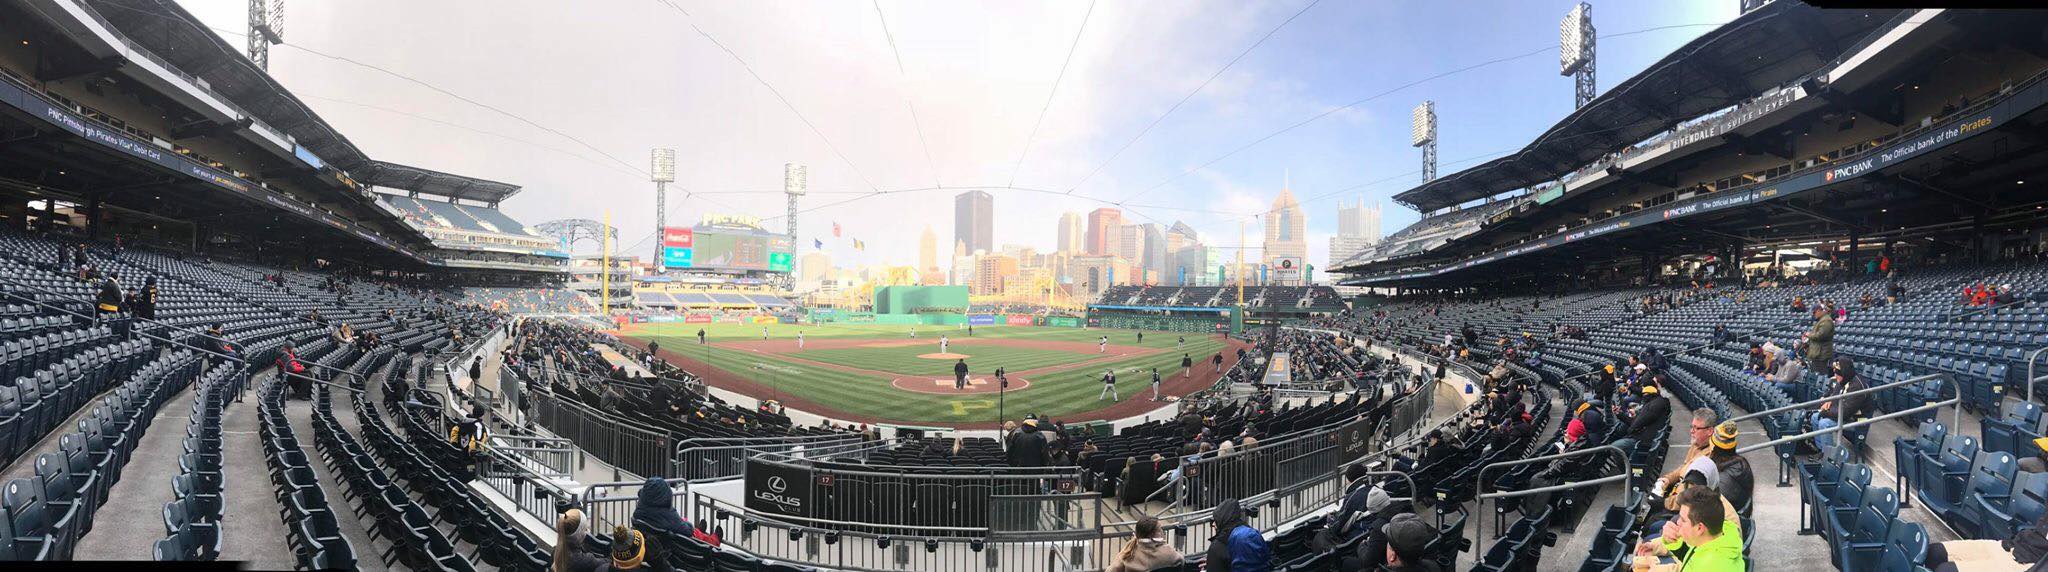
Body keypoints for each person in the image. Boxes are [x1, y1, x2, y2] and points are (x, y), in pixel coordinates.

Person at [1634, 485, 1745, 571]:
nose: (1678, 522)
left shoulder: (1710, 565)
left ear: (1699, 528)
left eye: (1683, 519)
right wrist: (1663, 543)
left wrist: (1654, 566)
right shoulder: (1719, 533)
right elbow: (1687, 565)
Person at [1654, 408, 1719, 498]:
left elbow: (1690, 495)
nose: (1691, 431)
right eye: (1692, 427)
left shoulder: (1711, 457)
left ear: (1710, 431)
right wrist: (1667, 479)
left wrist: (1663, 502)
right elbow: (1684, 467)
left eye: (1696, 428)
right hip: (1678, 492)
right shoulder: (1696, 444)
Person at [1205, 498, 1270, 572]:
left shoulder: (1218, 546)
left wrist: (1212, 561)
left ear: (1222, 520)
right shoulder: (1254, 534)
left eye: (1215, 520)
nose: (1213, 524)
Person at [1106, 517, 1184, 572]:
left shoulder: (1129, 554)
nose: (1162, 532)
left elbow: (1112, 569)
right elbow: (1182, 562)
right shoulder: (1169, 553)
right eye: (1160, 529)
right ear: (1152, 534)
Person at [552, 507, 607, 572]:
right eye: (585, 529)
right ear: (579, 534)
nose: (587, 531)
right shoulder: (585, 561)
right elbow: (608, 564)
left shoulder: (556, 552)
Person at [1806, 305, 1835, 372]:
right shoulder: (1822, 320)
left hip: (1822, 354)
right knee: (1815, 372)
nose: (1813, 315)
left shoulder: (1826, 321)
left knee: (1820, 373)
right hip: (1818, 352)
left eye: (1814, 312)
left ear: (1819, 310)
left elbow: (1820, 336)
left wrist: (1809, 335)